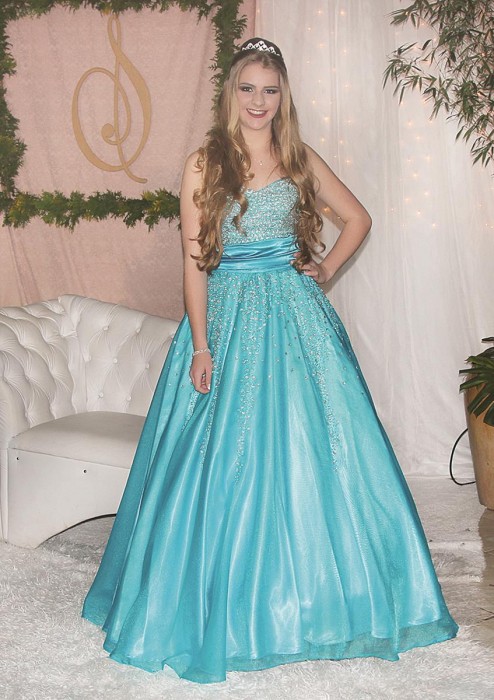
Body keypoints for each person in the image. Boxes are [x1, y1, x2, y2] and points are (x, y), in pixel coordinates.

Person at [82, 37, 458, 684]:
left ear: (284, 97)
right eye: (249, 88)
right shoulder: (204, 165)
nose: (259, 101)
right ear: (232, 93)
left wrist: (325, 269)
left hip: (294, 317)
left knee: (318, 452)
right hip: (225, 319)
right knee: (216, 463)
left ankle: (322, 598)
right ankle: (208, 598)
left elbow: (359, 218)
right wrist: (202, 345)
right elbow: (194, 264)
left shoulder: (298, 157)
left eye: (271, 90)